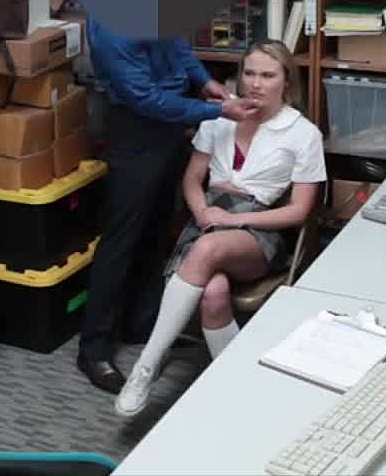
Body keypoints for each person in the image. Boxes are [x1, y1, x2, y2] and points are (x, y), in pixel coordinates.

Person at [114, 40, 327, 416]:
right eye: (249, 73)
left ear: (287, 82)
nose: (256, 84)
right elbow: (192, 179)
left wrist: (232, 219)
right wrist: (202, 212)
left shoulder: (303, 133)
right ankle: (235, 385)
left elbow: (298, 211)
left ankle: (145, 367)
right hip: (208, 217)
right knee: (213, 293)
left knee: (206, 249)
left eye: (268, 75)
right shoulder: (219, 117)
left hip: (259, 226)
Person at [77, 17, 262, 394]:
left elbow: (175, 43)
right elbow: (144, 99)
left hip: (170, 122)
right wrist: (215, 111)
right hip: (136, 127)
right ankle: (93, 348)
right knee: (122, 236)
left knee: (157, 226)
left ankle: (139, 323)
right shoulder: (110, 25)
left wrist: (204, 81)